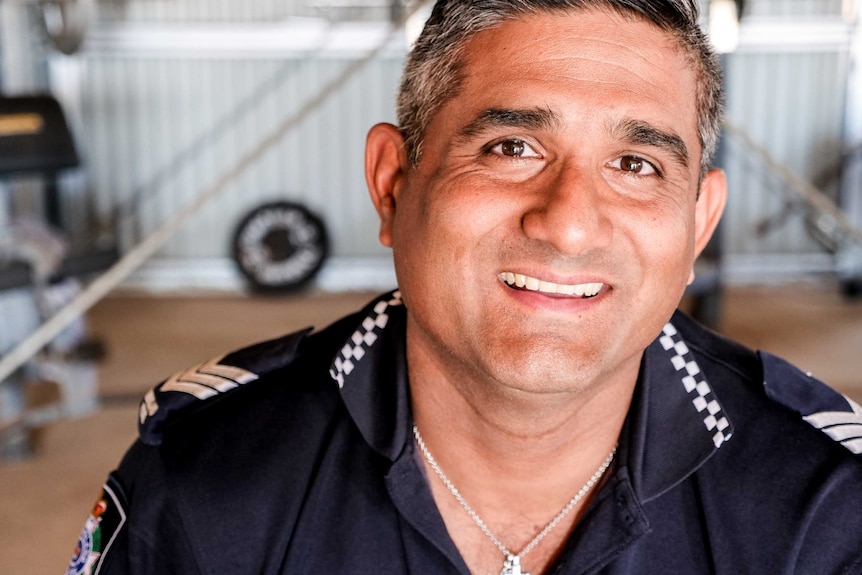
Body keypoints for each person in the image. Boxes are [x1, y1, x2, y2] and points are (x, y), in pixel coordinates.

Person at [68, 1, 862, 574]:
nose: (570, 223)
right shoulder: (208, 478)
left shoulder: (823, 508)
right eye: (512, 145)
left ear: (698, 226)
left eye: (637, 164)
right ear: (392, 184)